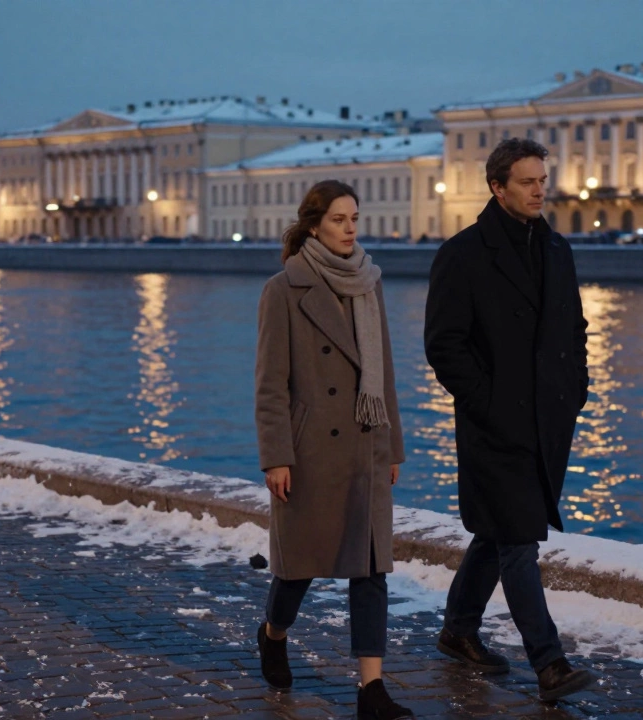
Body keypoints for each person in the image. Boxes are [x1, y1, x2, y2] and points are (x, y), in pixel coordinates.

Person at [424, 138, 594, 702]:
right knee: (519, 539)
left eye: (542, 179)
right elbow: (444, 346)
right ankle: (549, 665)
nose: (539, 189)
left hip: (548, 424)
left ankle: (457, 630)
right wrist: (488, 402)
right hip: (493, 427)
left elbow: (575, 329)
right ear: (497, 187)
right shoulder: (463, 254)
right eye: (526, 181)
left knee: (498, 533)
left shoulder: (557, 250)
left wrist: (577, 391)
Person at [254, 180, 414, 719]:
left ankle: (372, 689)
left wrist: (392, 443)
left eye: (355, 218)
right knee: (298, 569)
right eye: (340, 220)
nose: (351, 229)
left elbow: (383, 370)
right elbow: (270, 384)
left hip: (365, 443)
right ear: (315, 224)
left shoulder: (369, 282)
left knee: (371, 570)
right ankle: (274, 634)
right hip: (309, 450)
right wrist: (276, 455)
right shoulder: (285, 288)